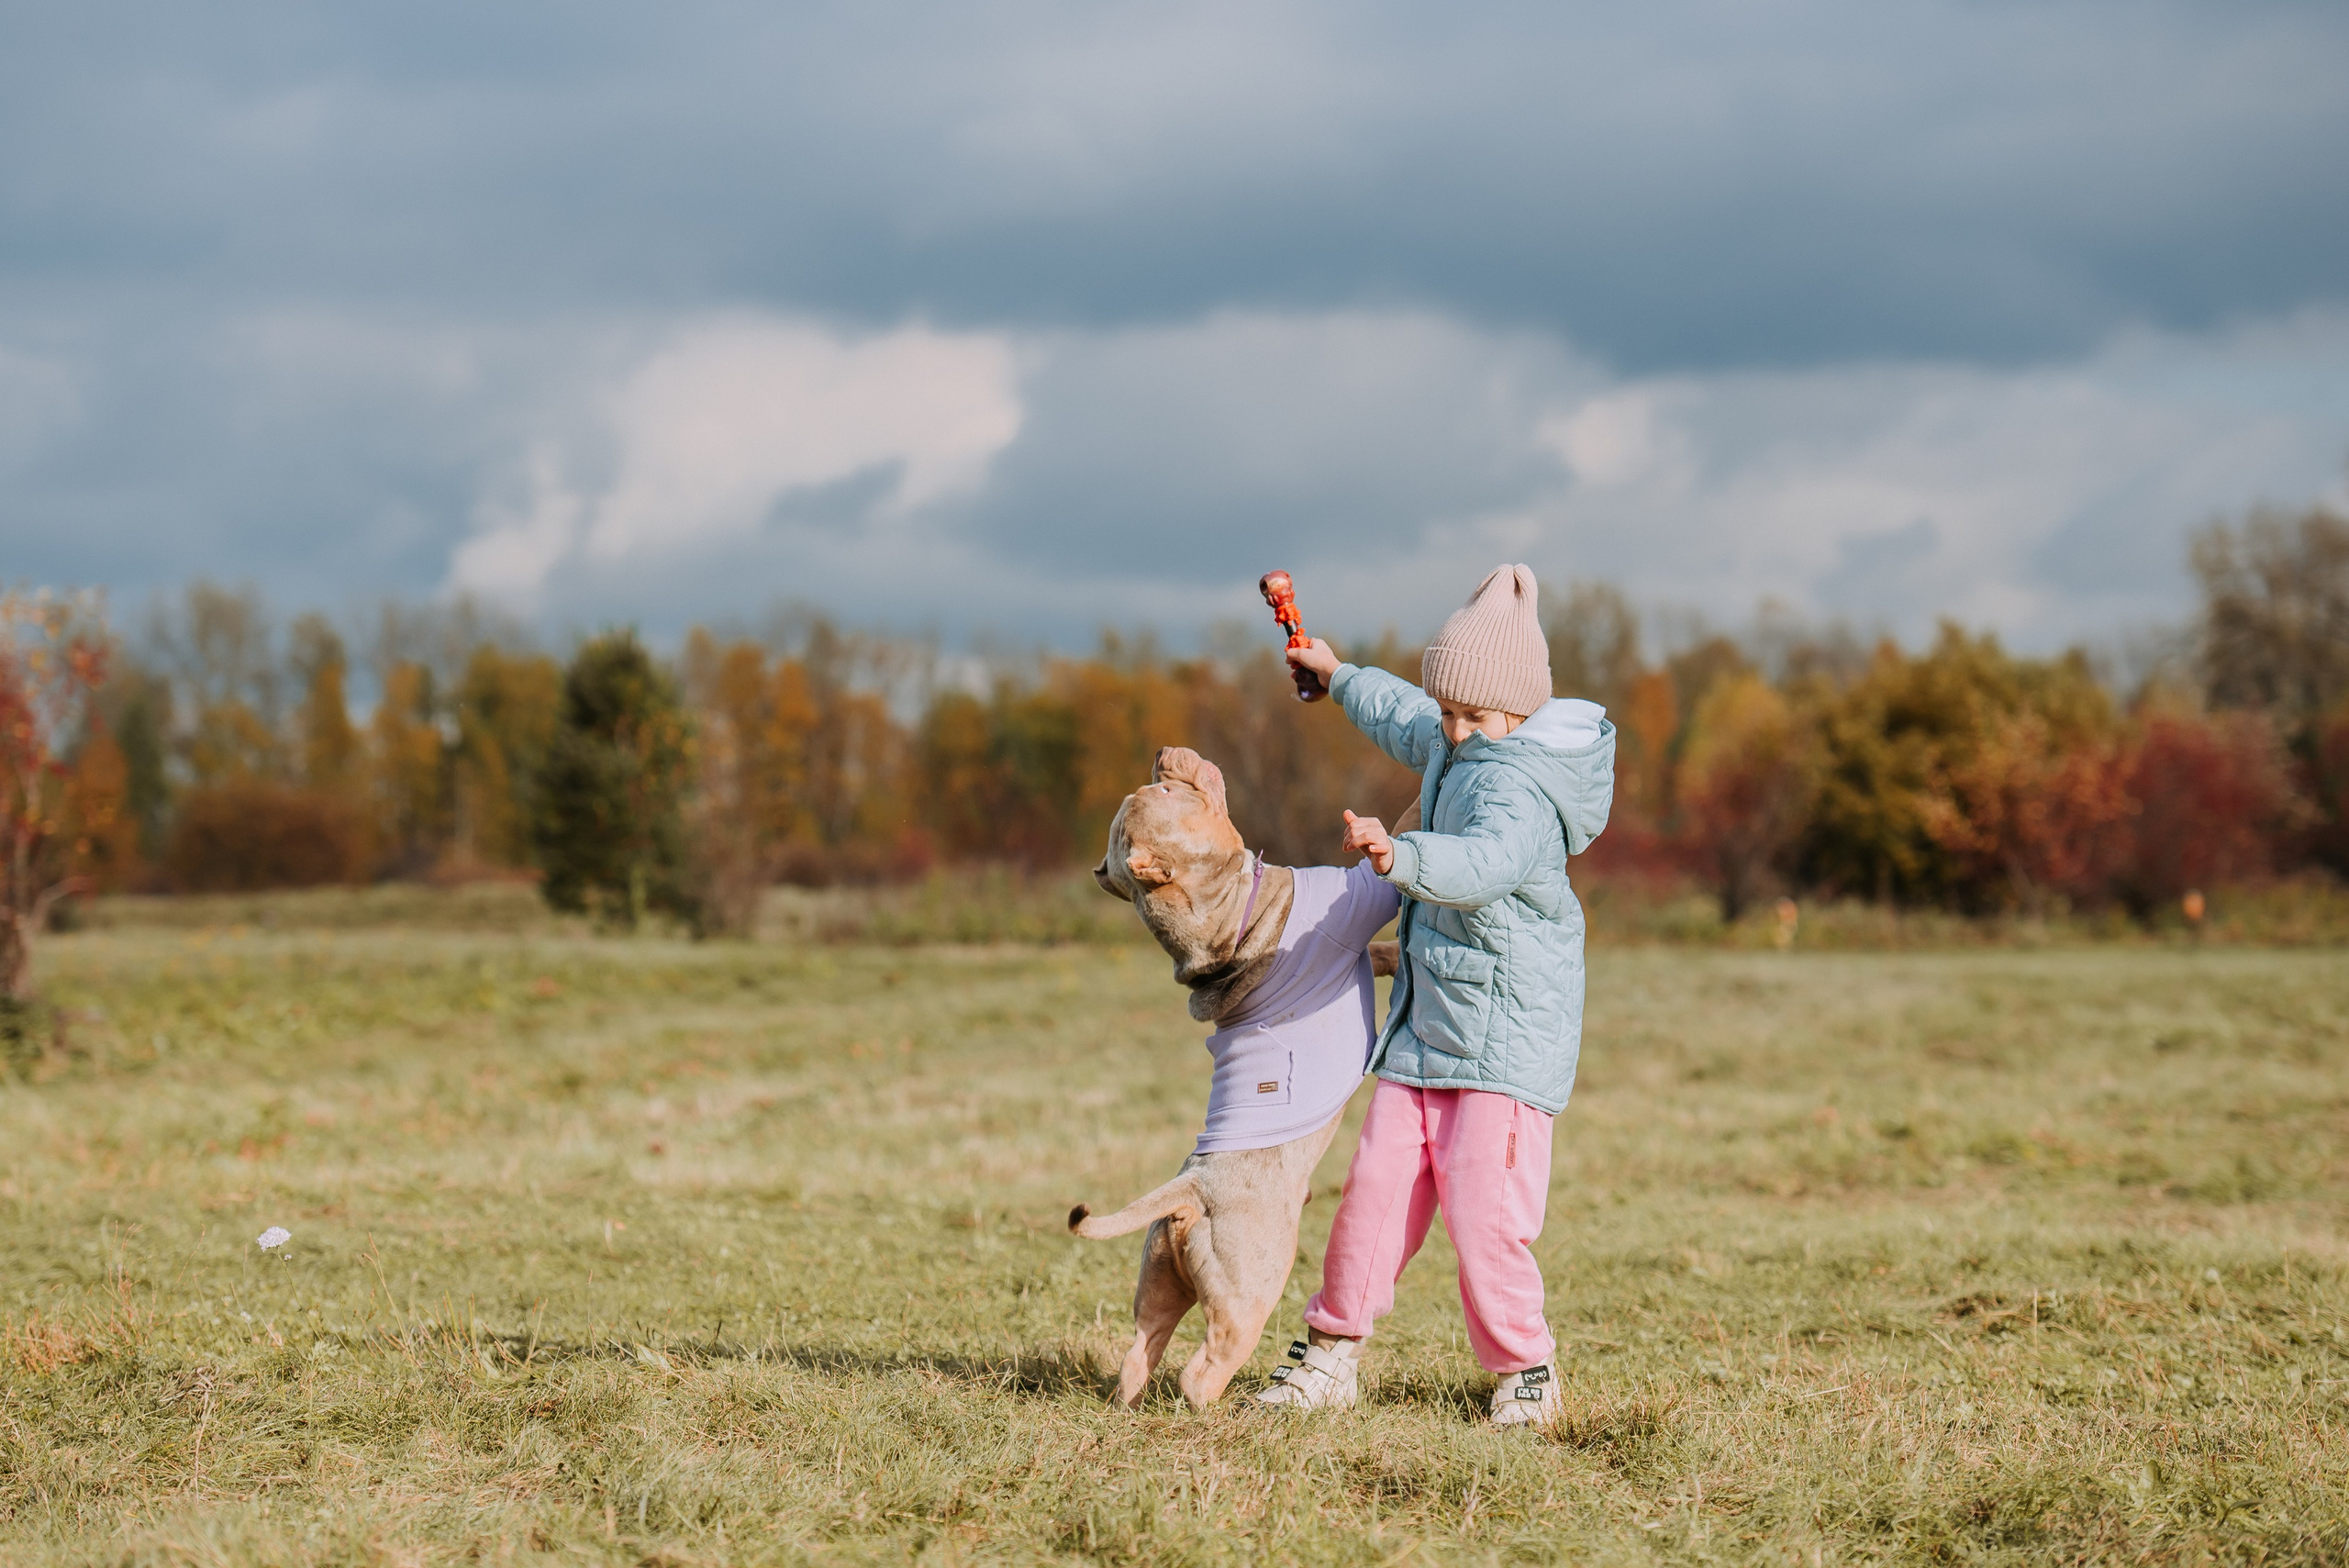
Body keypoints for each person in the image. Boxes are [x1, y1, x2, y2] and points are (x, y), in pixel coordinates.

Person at [1255, 563, 1614, 1427]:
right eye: (1448, 711)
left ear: (1518, 714)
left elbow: (1483, 866)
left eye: (1472, 717)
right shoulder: (1458, 740)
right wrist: (1338, 674)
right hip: (1429, 1030)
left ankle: (1526, 1370)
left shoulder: (1517, 787)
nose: (1452, 730)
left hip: (1502, 1046)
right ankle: (1333, 1351)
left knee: (1486, 1217)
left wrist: (1399, 856)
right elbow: (1405, 715)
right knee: (1372, 1191)